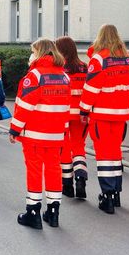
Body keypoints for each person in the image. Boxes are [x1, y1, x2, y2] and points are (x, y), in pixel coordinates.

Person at [9, 39, 72, 229]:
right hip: (56, 134)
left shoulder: (34, 76)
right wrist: (63, 131)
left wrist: (14, 129)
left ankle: (33, 213)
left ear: (40, 53)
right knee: (54, 170)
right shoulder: (64, 76)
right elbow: (66, 108)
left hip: (35, 134)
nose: (32, 55)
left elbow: (24, 107)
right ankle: (53, 212)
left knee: (35, 171)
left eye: (33, 51)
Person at [79, 24, 129, 214]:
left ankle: (107, 196)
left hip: (102, 113)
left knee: (104, 155)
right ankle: (116, 194)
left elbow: (91, 88)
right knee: (115, 153)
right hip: (121, 113)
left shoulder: (98, 59)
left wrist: (84, 111)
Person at [54, 36, 89, 199]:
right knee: (79, 146)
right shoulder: (85, 67)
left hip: (64, 114)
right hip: (81, 114)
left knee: (65, 147)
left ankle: (67, 185)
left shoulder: (59, 68)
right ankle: (81, 177)